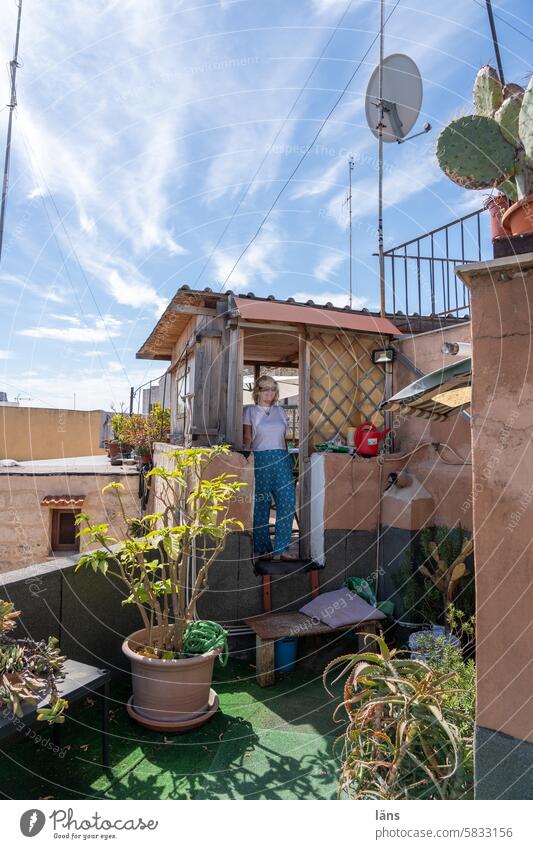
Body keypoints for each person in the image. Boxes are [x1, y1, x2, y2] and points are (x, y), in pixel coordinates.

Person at [243, 375, 297, 561]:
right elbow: (248, 439)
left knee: (288, 501)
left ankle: (281, 549)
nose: (269, 393)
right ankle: (262, 548)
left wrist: (287, 457)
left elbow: (283, 438)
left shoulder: (280, 411)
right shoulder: (250, 411)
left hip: (282, 458)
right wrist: (248, 457)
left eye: (272, 389)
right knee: (262, 503)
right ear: (257, 391)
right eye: (265, 389)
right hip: (261, 459)